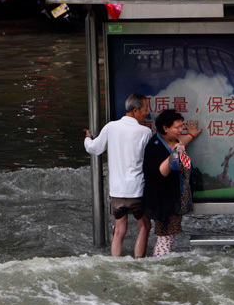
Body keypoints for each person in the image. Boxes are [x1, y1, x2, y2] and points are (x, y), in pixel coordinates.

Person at [84, 92, 152, 257]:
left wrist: (87, 138)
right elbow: (149, 161)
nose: (147, 113)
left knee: (119, 230)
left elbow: (94, 148)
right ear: (135, 111)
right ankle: (138, 262)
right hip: (136, 190)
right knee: (144, 227)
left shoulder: (110, 127)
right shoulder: (145, 132)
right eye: (144, 109)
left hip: (117, 191)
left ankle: (115, 263)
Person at [141, 109, 202, 257]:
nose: (181, 130)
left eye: (182, 126)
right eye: (177, 127)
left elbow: (179, 143)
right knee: (165, 236)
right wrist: (175, 154)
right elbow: (161, 173)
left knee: (169, 235)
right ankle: (159, 264)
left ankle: (160, 262)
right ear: (165, 128)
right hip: (162, 200)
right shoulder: (154, 146)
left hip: (172, 197)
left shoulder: (172, 141)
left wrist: (192, 134)